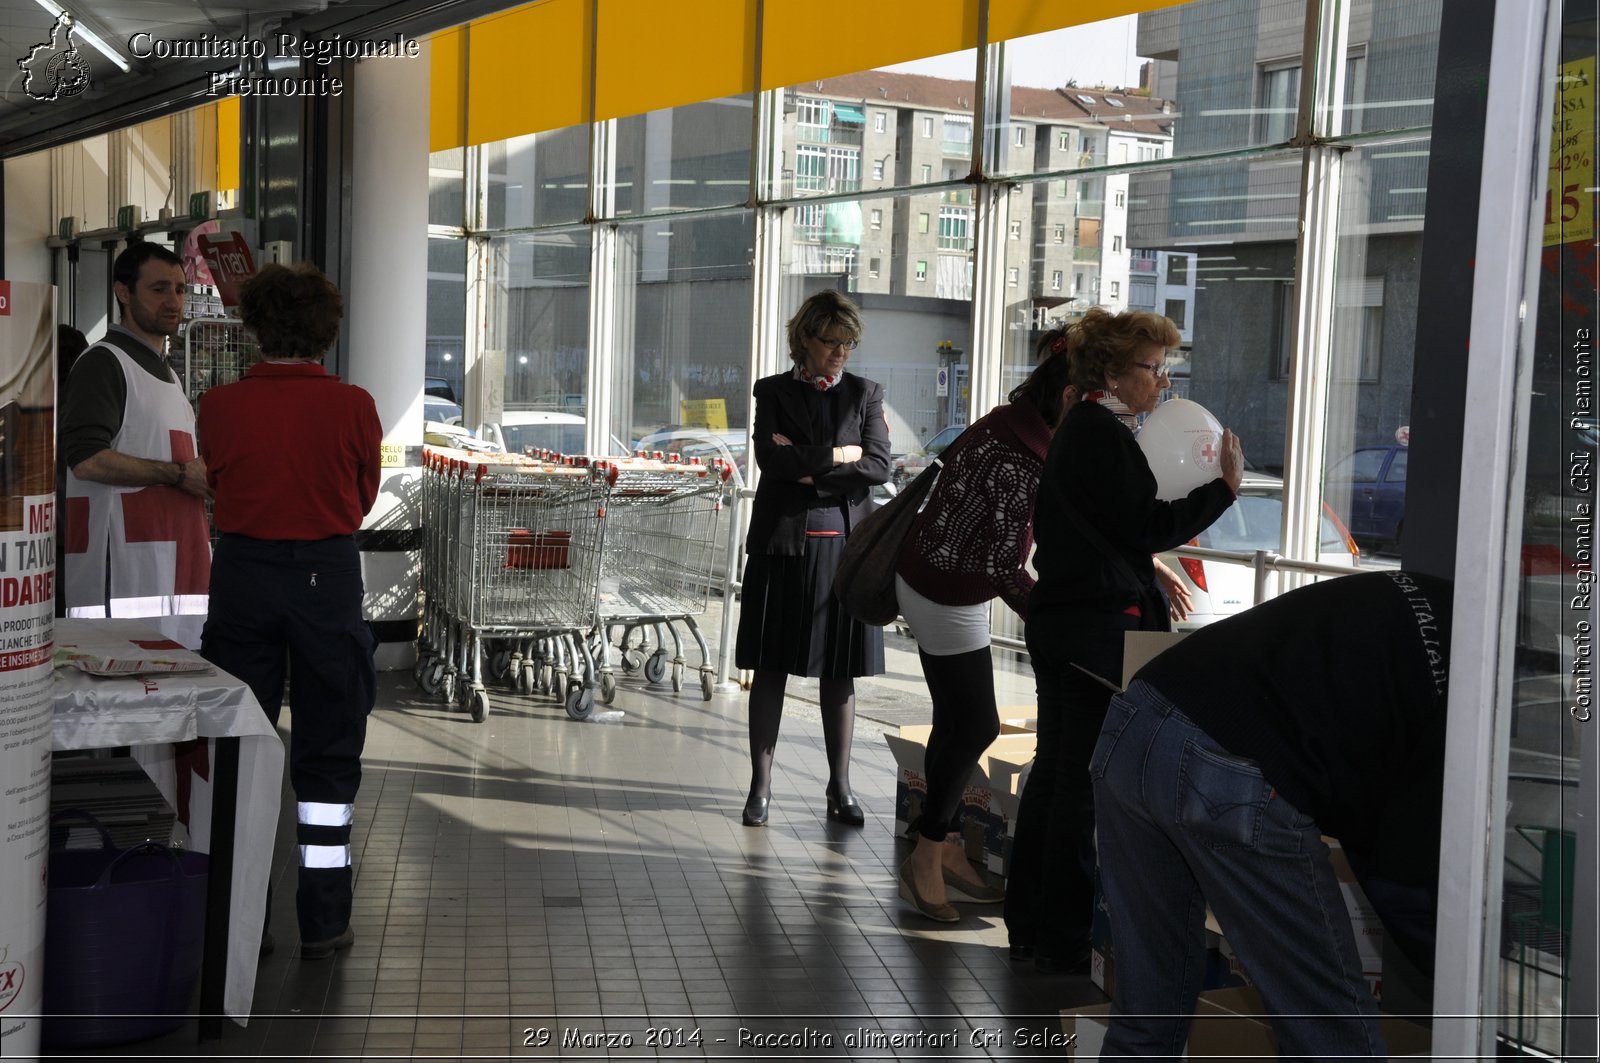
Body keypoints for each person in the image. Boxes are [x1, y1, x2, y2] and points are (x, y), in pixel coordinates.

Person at [1092, 570, 1452, 1059]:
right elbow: (1399, 850)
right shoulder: (1473, 690)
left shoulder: (1428, 597)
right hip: (1228, 764)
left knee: (1147, 1016)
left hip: (1134, 721)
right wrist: (1452, 960)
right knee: (1331, 1037)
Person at [1005, 307, 1242, 971]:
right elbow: (1147, 522)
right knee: (1077, 782)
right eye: (1151, 367)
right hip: (1092, 629)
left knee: (1055, 772)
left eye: (1166, 367)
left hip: (1063, 620)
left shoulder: (1081, 428)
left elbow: (1108, 530)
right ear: (1112, 370)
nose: (1162, 381)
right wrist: (1224, 491)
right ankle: (1060, 935)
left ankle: (1032, 921)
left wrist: (1144, 570)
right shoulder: (1101, 432)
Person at [197, 262, 382, 960]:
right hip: (327, 575)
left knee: (241, 740)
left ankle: (244, 920)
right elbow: (362, 494)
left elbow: (214, 479)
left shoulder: (218, 405)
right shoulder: (355, 405)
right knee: (329, 747)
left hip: (242, 574)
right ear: (327, 333)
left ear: (253, 329)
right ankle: (325, 919)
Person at [891, 329, 1075, 920]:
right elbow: (1001, 563)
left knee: (957, 722)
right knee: (976, 725)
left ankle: (940, 846)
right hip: (945, 589)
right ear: (1070, 397)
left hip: (937, 577)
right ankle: (926, 854)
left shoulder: (1010, 422)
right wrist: (1050, 618)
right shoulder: (1024, 455)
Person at [736, 289, 892, 827]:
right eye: (831, 341)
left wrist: (808, 467)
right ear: (804, 338)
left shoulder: (865, 393)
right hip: (783, 546)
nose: (841, 352)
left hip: (846, 549)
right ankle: (760, 788)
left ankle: (840, 787)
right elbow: (769, 460)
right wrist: (836, 455)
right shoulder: (773, 391)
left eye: (848, 343)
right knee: (771, 665)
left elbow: (878, 466)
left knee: (840, 673)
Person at [61, 242, 212, 647]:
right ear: (123, 293)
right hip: (122, 584)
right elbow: (87, 460)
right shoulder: (104, 363)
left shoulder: (166, 373)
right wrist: (179, 474)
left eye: (180, 289)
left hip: (167, 581)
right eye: (159, 289)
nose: (173, 301)